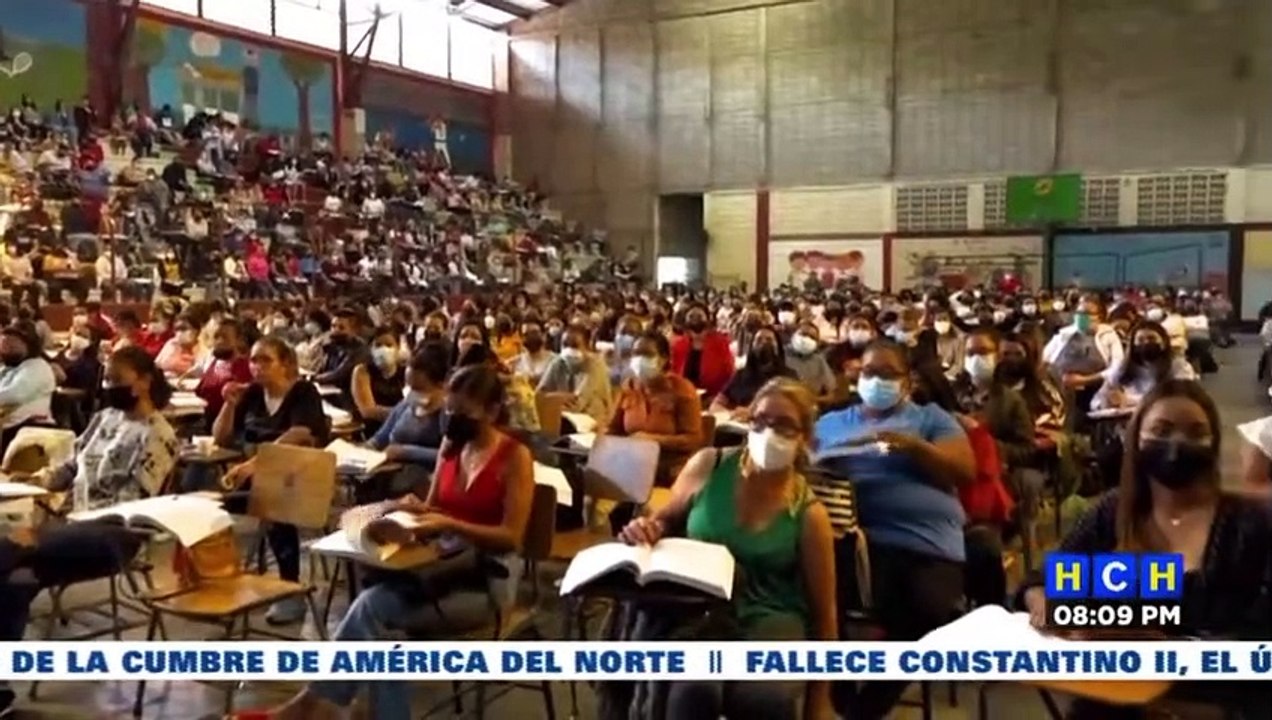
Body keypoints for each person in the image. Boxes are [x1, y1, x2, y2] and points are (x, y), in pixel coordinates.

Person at [265, 365, 535, 720]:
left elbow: (511, 537)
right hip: (441, 563)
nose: (452, 419)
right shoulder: (452, 447)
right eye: (449, 410)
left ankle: (309, 706)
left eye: (463, 413)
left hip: (486, 579)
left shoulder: (514, 458)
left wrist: (451, 523)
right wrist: (400, 508)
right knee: (375, 616)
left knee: (372, 612)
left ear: (492, 411)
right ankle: (325, 707)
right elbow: (433, 508)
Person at [1018, 380, 1272, 719]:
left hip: (1219, 705)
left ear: (1214, 445)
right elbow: (1045, 578)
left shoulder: (1251, 524)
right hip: (1115, 699)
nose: (1178, 444)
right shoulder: (1112, 512)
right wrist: (1042, 599)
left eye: (1196, 432)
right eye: (1162, 430)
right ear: (1136, 439)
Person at [618, 378, 837, 720]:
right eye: (760, 421)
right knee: (692, 692)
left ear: (805, 437)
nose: (769, 432)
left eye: (783, 425)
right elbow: (665, 519)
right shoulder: (709, 465)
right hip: (702, 611)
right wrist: (647, 528)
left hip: (771, 617)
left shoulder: (810, 515)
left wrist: (817, 706)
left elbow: (825, 617)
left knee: (764, 700)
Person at [812, 339, 974, 719]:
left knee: (926, 609)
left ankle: (866, 706)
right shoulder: (832, 422)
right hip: (852, 540)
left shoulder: (931, 419)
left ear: (907, 380)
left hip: (925, 541)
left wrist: (914, 448)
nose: (876, 381)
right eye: (869, 373)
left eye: (888, 374)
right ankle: (843, 690)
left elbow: (965, 471)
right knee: (818, 599)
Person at [213, 337, 330, 625]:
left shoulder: (303, 391)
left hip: (298, 476)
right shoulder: (253, 394)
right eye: (253, 360)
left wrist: (256, 464)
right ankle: (217, 580)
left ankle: (291, 588)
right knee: (206, 500)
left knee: (274, 507)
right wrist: (228, 405)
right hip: (255, 475)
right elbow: (221, 437)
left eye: (265, 360)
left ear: (286, 363)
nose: (257, 367)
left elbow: (299, 434)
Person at [40, 346, 179, 509]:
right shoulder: (105, 417)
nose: (109, 386)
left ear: (144, 382)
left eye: (117, 380)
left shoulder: (158, 435)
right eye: (106, 380)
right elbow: (75, 464)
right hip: (73, 510)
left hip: (106, 523)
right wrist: (39, 481)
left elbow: (135, 501)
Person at [608, 330, 705, 487]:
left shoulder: (682, 390)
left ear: (663, 359)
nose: (640, 360)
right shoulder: (629, 386)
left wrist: (653, 440)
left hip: (668, 471)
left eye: (647, 354)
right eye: (636, 354)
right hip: (631, 465)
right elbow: (613, 429)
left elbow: (693, 440)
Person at [364, 342, 449, 499]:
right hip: (389, 470)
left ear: (441, 385)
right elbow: (381, 438)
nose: (412, 394)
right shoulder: (406, 404)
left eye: (419, 389)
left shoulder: (447, 413)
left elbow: (451, 456)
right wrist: (364, 450)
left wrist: (406, 452)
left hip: (422, 480)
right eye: (410, 387)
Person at [1091, 321, 1195, 411]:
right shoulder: (1122, 369)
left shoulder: (1179, 366)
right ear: (1133, 345)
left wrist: (1129, 400)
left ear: (1163, 342)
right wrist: (1105, 402)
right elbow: (1096, 402)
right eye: (1140, 340)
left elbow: (1182, 397)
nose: (1146, 343)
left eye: (1151, 338)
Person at [709, 326, 796, 419]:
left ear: (778, 347)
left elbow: (793, 411)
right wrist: (732, 414)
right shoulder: (740, 375)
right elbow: (716, 404)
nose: (764, 343)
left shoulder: (789, 377)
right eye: (758, 340)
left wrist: (752, 413)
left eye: (769, 340)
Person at [536, 324, 613, 427]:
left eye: (574, 346)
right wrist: (557, 397)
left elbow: (577, 404)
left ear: (586, 347)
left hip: (591, 421)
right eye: (565, 345)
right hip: (563, 419)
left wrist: (553, 402)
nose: (569, 351)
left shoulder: (595, 365)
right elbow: (539, 396)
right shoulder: (558, 362)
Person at [0, 323, 55, 451]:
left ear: (29, 345)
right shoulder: (6, 369)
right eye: (4, 343)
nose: (7, 347)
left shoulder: (37, 367)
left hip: (28, 430)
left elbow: (15, 394)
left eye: (13, 343)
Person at [670, 302, 735, 401]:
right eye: (691, 316)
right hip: (683, 397)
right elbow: (673, 372)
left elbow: (728, 373)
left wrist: (719, 397)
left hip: (712, 397)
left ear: (708, 319)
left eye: (699, 316)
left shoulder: (720, 342)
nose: (695, 319)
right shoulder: (678, 344)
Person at [350, 326, 407, 436]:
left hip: (400, 427)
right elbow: (367, 410)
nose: (383, 350)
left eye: (389, 345)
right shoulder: (362, 371)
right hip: (371, 429)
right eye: (378, 345)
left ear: (398, 347)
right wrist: (403, 413)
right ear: (371, 348)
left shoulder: (405, 372)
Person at [194, 318, 252, 424]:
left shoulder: (246, 368)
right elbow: (200, 392)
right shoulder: (215, 363)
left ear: (238, 340)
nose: (219, 341)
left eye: (225, 337)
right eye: (216, 337)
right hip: (203, 419)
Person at [314, 309, 371, 407]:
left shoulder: (360, 350)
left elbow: (339, 374)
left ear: (354, 331)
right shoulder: (332, 346)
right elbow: (321, 369)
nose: (335, 330)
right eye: (333, 326)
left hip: (349, 400)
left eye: (341, 328)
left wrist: (313, 378)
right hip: (329, 394)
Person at [785, 321, 836, 405]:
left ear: (817, 343)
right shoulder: (780, 355)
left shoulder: (819, 360)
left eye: (812, 337)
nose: (806, 339)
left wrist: (812, 400)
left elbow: (831, 395)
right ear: (793, 336)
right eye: (803, 334)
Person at [512, 319, 555, 385]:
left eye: (534, 333)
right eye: (526, 334)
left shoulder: (554, 360)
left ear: (543, 335)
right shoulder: (516, 361)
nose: (531, 337)